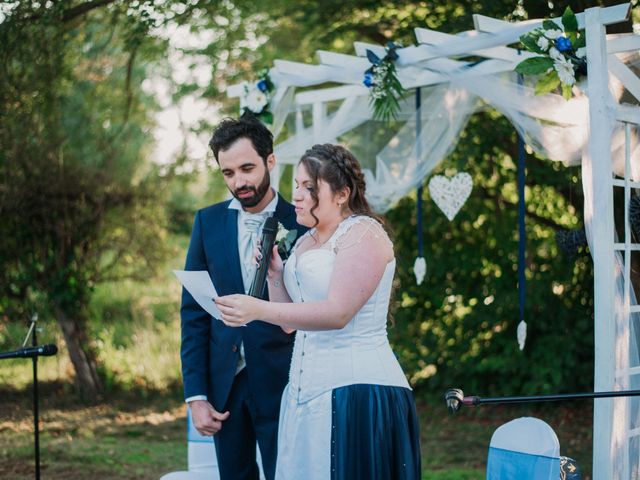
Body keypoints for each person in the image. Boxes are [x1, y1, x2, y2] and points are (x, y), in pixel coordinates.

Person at [215, 143, 422, 480]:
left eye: (308, 187)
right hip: (303, 394)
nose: (297, 195)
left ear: (341, 194)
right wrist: (276, 276)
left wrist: (258, 309)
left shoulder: (363, 233)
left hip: (357, 392)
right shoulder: (306, 240)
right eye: (296, 185)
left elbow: (337, 313)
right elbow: (290, 325)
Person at [180, 115, 307, 480]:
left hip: (286, 382)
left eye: (247, 168)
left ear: (270, 161)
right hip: (226, 385)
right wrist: (197, 395)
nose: (239, 182)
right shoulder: (208, 222)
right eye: (229, 173)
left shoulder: (302, 221)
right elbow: (192, 316)